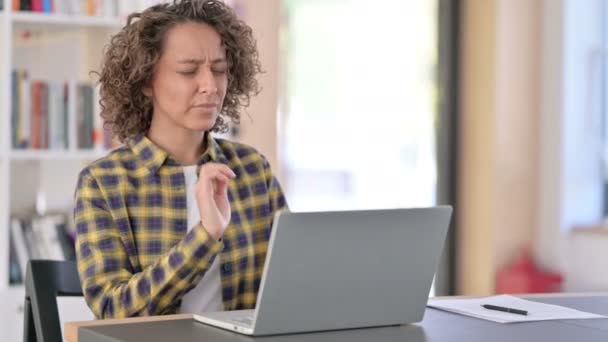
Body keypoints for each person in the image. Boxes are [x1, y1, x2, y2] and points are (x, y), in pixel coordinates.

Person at [73, 0, 287, 319]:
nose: (210, 86)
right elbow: (113, 310)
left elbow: (291, 284)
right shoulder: (104, 183)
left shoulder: (253, 169)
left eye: (219, 69)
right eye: (188, 71)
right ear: (146, 80)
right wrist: (206, 235)